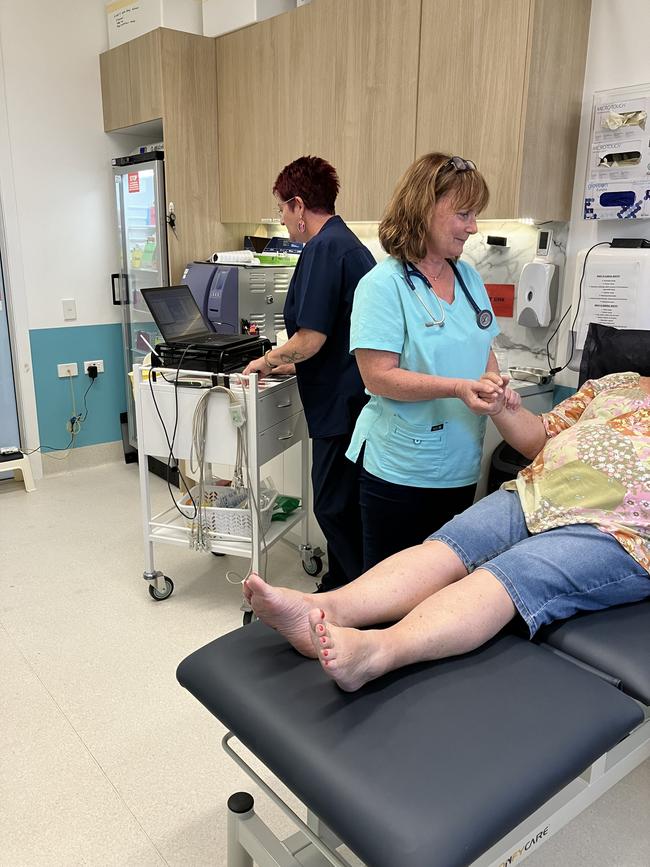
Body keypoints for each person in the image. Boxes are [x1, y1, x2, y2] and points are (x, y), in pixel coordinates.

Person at [244, 371, 650, 692]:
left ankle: (378, 653)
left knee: (514, 572)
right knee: (449, 546)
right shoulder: (616, 382)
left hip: (620, 527)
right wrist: (501, 407)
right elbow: (539, 438)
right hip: (540, 489)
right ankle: (324, 611)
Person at [346, 152, 507, 570]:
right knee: (390, 592)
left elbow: (484, 348)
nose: (473, 227)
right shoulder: (382, 285)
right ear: (423, 208)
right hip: (402, 471)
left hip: (460, 463)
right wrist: (456, 387)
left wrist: (496, 384)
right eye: (464, 214)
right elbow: (377, 377)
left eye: (475, 215)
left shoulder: (468, 277)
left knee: (440, 591)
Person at [243, 156, 376, 591]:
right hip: (352, 398)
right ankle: (349, 584)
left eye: (282, 209)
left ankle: (349, 594)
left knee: (334, 505)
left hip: (343, 401)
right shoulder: (346, 244)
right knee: (345, 502)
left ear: (299, 206)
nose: (282, 220)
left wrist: (265, 361)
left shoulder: (325, 248)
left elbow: (310, 340)